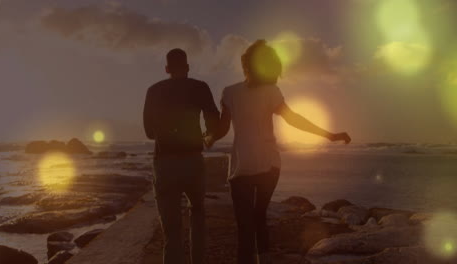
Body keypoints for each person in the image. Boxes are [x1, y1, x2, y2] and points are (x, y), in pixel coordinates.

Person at [207, 40, 351, 264]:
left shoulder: (231, 92)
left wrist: (208, 138)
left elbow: (223, 129)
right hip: (268, 165)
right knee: (258, 218)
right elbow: (293, 119)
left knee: (245, 227)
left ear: (246, 64)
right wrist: (330, 135)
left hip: (242, 167)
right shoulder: (268, 92)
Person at [143, 48, 220, 264]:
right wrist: (207, 137)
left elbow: (149, 132)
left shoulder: (153, 90)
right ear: (187, 67)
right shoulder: (199, 87)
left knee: (172, 231)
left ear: (167, 69)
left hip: (165, 163)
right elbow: (213, 120)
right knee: (197, 213)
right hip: (192, 161)